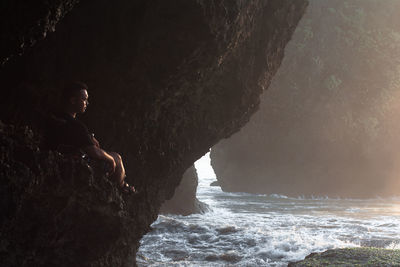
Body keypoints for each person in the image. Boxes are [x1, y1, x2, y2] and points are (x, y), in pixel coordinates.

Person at [45, 81, 136, 194]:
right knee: (117, 157)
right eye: (84, 99)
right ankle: (120, 188)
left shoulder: (55, 117)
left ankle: (122, 186)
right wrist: (111, 159)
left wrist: (88, 136)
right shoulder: (76, 126)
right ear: (73, 100)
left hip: (54, 159)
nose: (87, 103)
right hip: (74, 165)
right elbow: (93, 151)